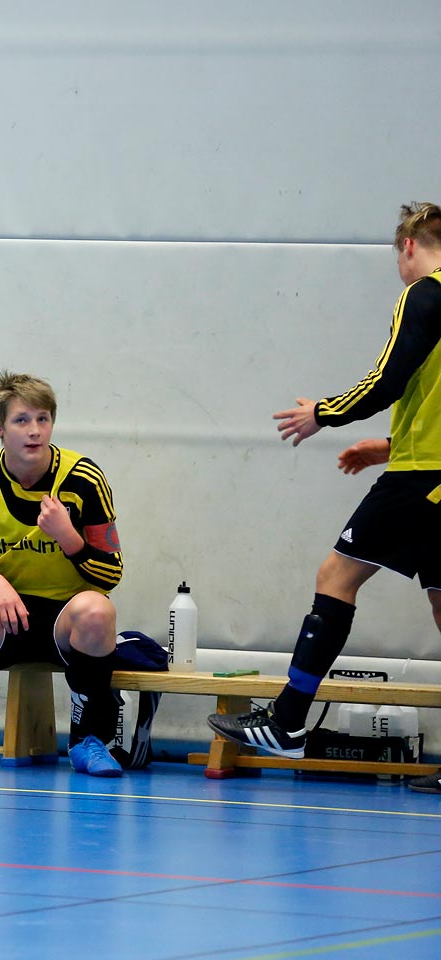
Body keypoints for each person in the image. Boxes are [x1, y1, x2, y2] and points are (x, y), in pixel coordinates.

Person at [207, 202, 441, 795]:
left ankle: (286, 722)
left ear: (408, 246)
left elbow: (390, 377)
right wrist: (387, 444)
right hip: (427, 467)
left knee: (336, 574)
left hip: (422, 478)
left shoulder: (424, 293)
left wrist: (324, 413)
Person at [0, 371, 126, 777]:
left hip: (64, 625)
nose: (34, 431)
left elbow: (110, 574)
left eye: (42, 419)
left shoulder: (83, 479)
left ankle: (87, 742)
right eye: (21, 421)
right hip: (4, 620)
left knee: (98, 610)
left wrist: (69, 538)